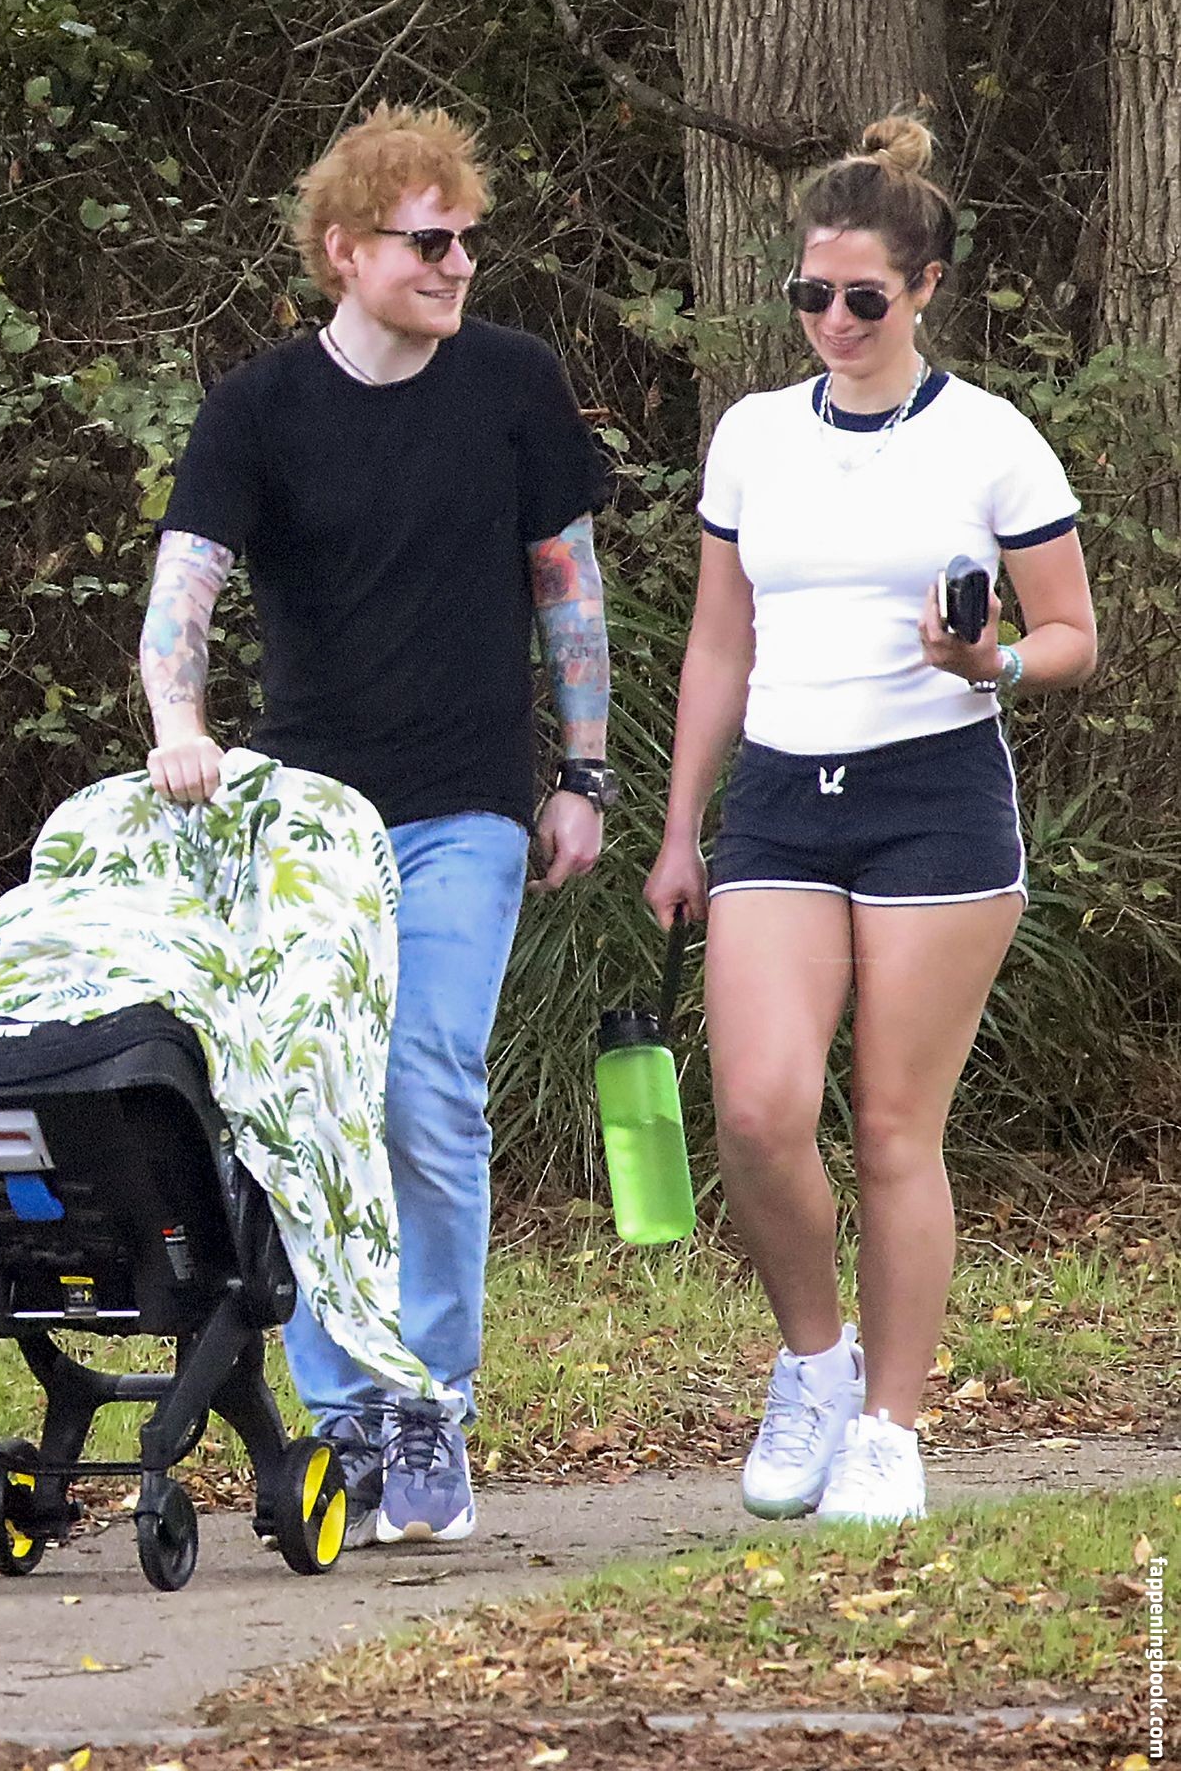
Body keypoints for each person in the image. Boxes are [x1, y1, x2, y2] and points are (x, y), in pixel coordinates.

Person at [138, 103, 615, 1546]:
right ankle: (342, 1412)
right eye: (427, 241)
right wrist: (180, 727)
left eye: (466, 238)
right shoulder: (260, 409)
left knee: (424, 1083)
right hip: (310, 820)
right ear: (346, 251)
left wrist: (585, 774)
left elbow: (569, 587)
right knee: (305, 1098)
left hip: (467, 807)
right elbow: (184, 589)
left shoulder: (515, 386)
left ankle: (431, 1405)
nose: (456, 262)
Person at [644, 113, 1096, 1525]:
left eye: (863, 298)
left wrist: (993, 663)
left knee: (896, 1127)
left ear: (926, 288)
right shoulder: (753, 435)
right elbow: (719, 643)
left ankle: (891, 1428)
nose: (833, 322)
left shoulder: (991, 439)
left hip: (934, 800)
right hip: (783, 796)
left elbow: (1072, 633)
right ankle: (815, 1366)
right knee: (757, 1111)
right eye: (810, 294)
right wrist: (681, 826)